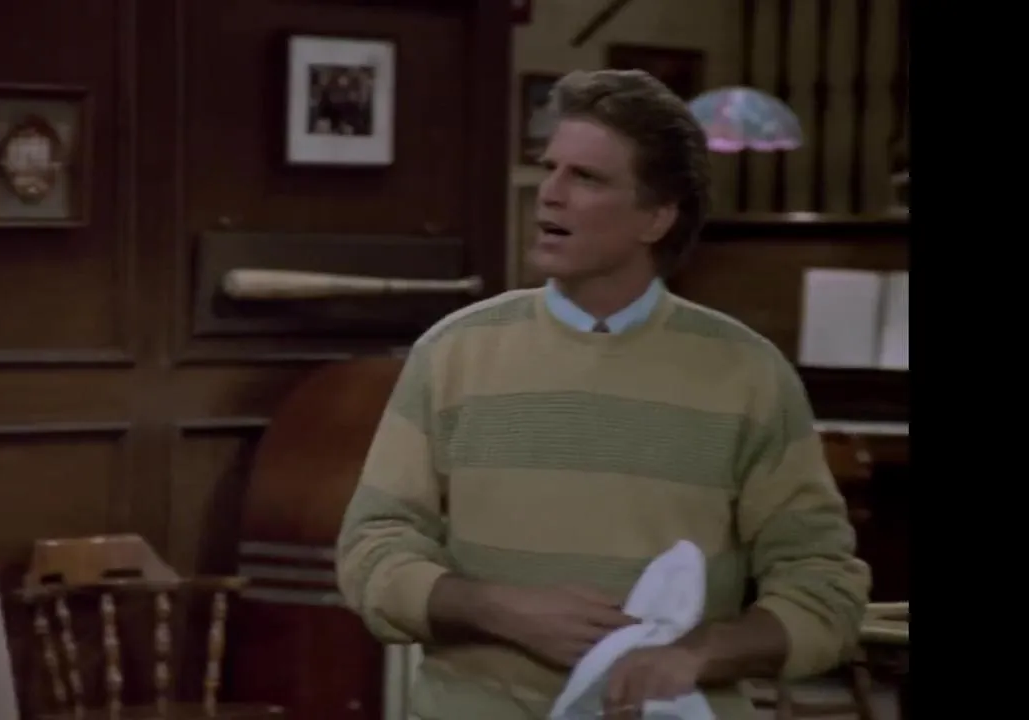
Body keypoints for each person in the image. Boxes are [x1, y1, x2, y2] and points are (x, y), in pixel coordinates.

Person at [334, 69, 870, 719]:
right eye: (550, 169)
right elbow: (372, 550)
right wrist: (500, 609)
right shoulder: (454, 353)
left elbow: (824, 585)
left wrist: (700, 655)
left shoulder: (748, 374)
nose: (549, 194)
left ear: (656, 217)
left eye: (586, 178)